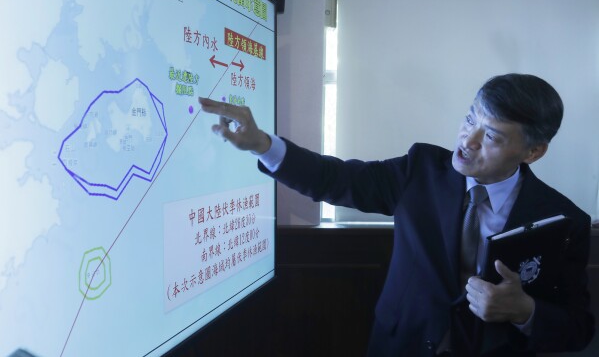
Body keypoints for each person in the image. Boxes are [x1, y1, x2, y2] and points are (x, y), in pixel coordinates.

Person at [199, 73, 594, 356]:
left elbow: (579, 329)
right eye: (471, 118)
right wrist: (262, 145)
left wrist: (525, 311)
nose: (467, 140)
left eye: (490, 136)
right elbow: (335, 179)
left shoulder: (563, 221)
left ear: (532, 152)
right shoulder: (420, 170)